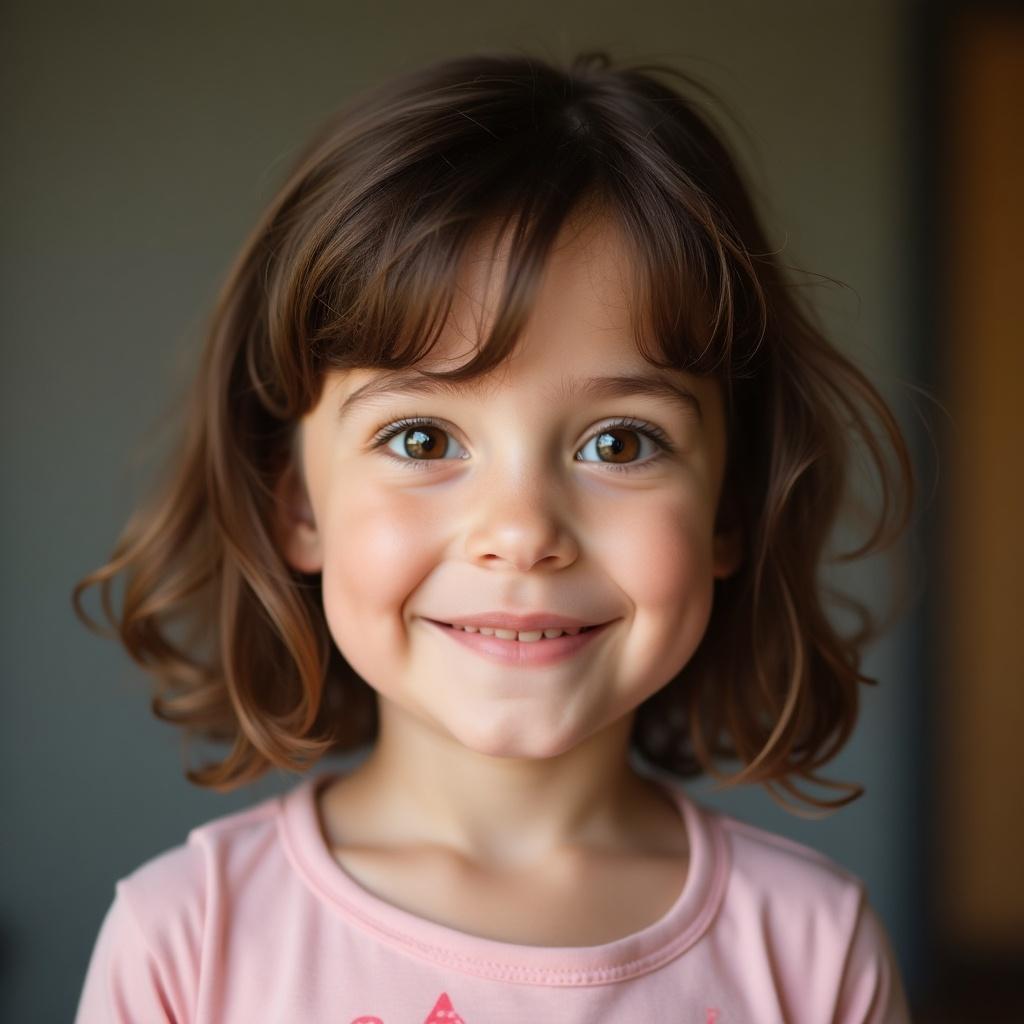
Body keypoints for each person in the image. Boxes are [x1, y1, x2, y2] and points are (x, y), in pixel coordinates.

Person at [71, 49, 915, 1022]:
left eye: (620, 440)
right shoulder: (186, 941)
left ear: (728, 505)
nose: (521, 533)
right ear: (296, 502)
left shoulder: (811, 951)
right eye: (421, 436)